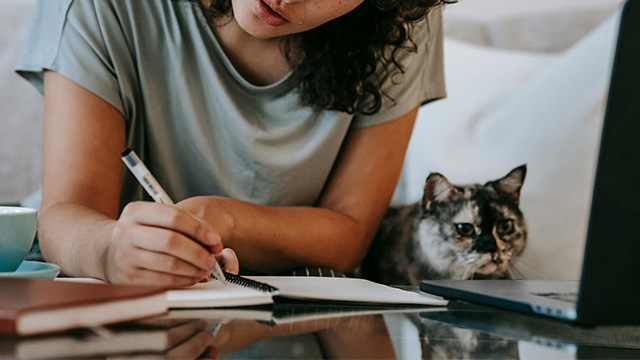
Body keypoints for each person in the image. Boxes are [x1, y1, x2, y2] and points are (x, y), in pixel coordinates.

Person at [15, 0, 450, 286]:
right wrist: (112, 249)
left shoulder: (401, 15)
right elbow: (66, 215)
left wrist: (222, 218)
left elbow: (350, 230)